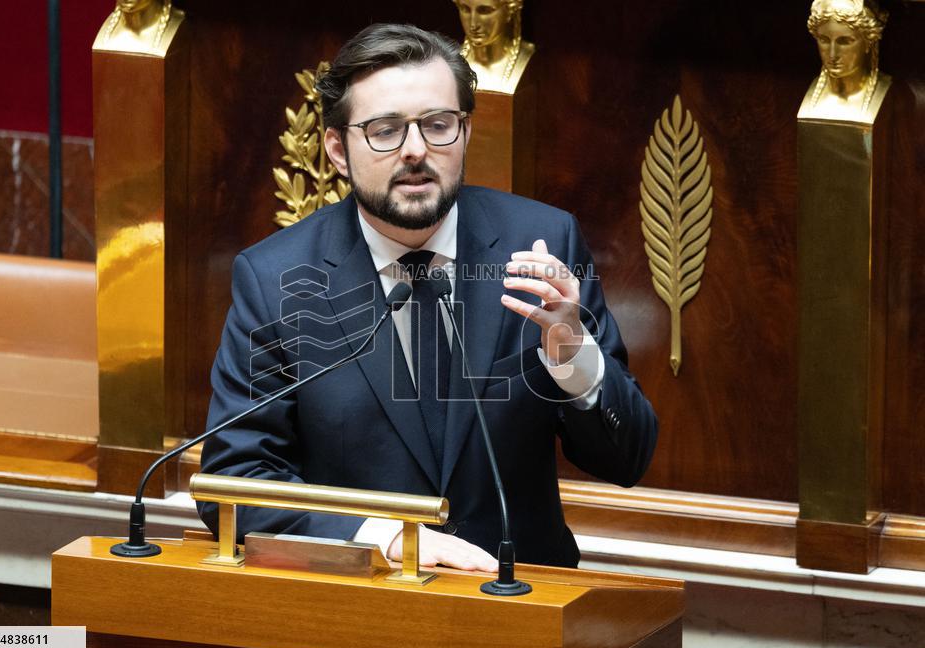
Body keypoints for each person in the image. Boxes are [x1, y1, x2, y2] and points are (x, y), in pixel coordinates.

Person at [198, 23, 657, 571]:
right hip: (358, 610)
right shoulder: (276, 278)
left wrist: (575, 359)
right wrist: (384, 538)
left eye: (437, 125)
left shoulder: (541, 245)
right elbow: (234, 483)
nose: (415, 151)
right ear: (337, 149)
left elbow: (628, 457)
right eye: (385, 130)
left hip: (518, 603)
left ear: (464, 134)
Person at [804, 0, 888, 120]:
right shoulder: (806, 95)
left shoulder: (892, 93)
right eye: (824, 40)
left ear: (869, 42)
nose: (833, 54)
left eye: (844, 41)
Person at [453, 0, 535, 92]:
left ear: (509, 10)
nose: (473, 24)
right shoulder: (449, 62)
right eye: (465, 9)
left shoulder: (531, 60)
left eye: (485, 11)